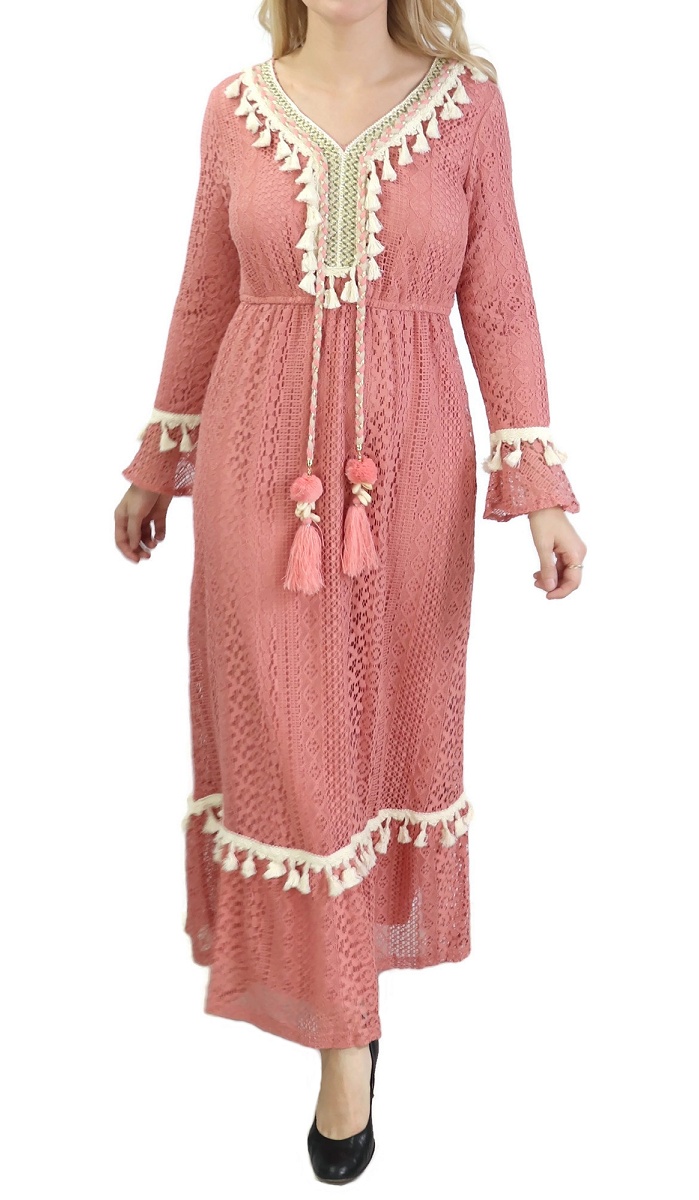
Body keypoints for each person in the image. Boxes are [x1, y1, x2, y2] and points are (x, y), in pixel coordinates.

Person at [114, 0, 587, 1184]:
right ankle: (344, 1039)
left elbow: (502, 295)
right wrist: (159, 461)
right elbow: (203, 293)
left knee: (379, 742)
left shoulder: (468, 106)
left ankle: (348, 1000)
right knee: (290, 751)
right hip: (256, 477)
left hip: (411, 482)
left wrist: (537, 483)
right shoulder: (233, 111)